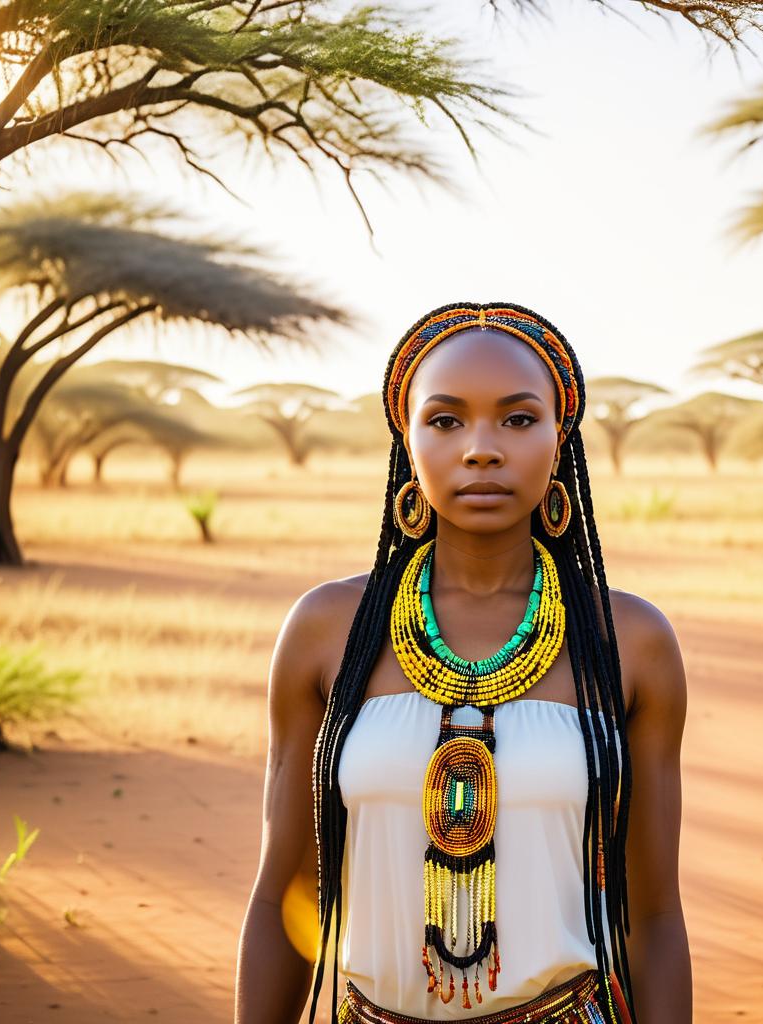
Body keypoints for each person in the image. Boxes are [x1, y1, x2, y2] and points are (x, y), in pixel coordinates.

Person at [235, 302, 691, 1024]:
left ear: (559, 437)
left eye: (517, 419)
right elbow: (282, 894)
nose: (482, 448)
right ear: (407, 439)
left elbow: (656, 916)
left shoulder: (628, 642)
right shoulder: (328, 633)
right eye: (445, 421)